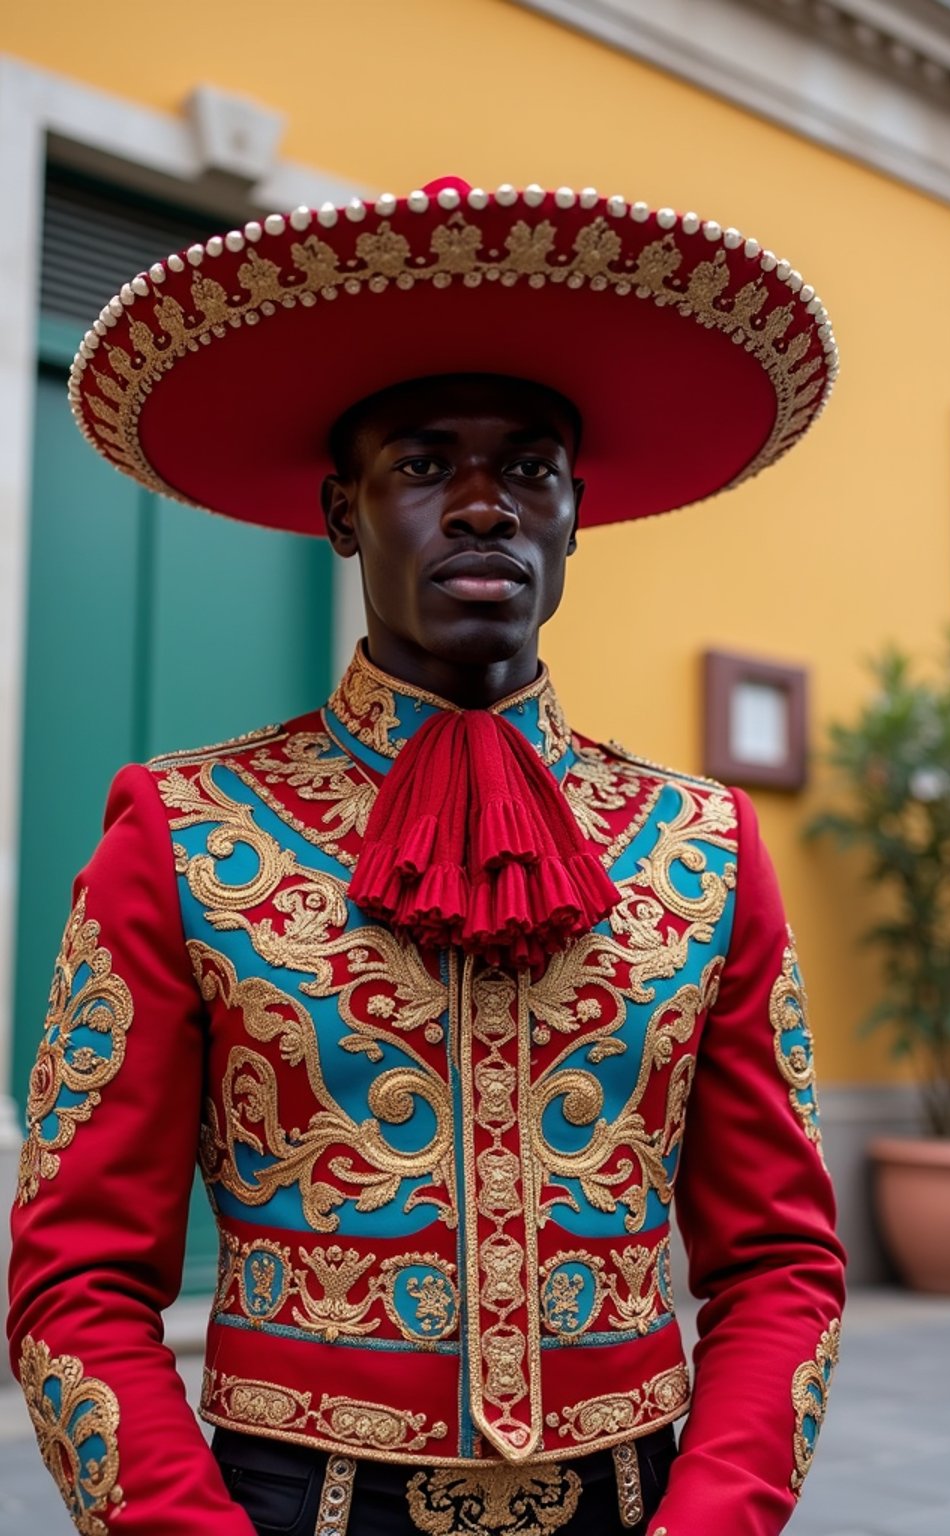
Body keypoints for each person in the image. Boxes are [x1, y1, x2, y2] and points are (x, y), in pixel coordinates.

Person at [7, 176, 846, 1536]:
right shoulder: (187, 830)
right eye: (420, 464)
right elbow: (76, 1281)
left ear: (576, 514)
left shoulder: (703, 847)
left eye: (526, 468)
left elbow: (782, 1264)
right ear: (342, 512)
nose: (479, 506)